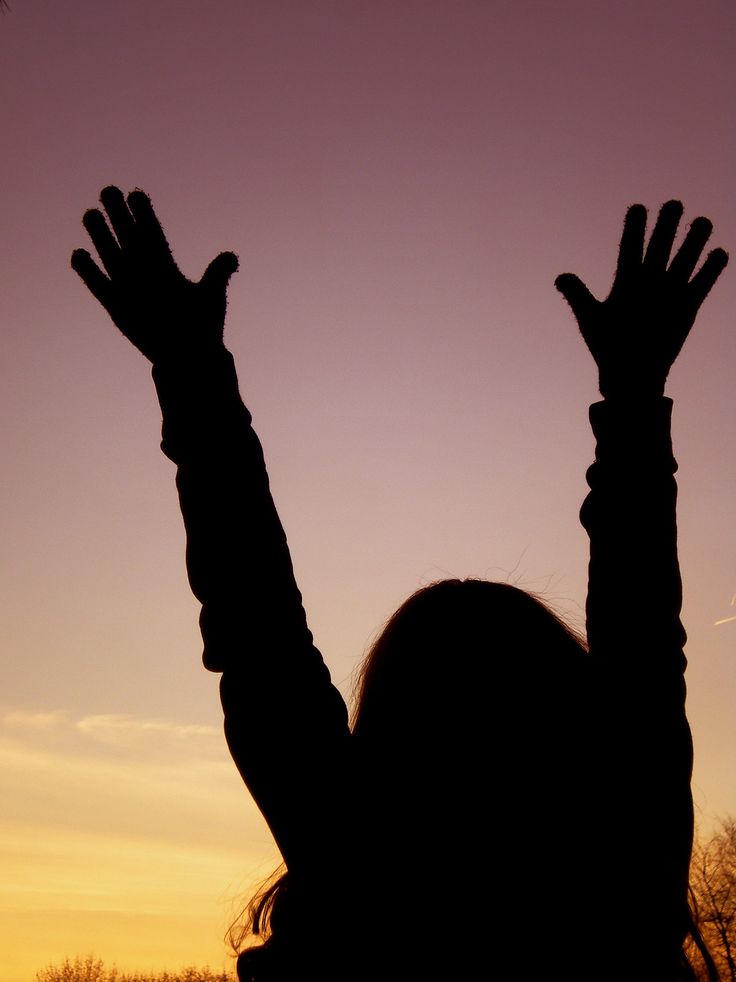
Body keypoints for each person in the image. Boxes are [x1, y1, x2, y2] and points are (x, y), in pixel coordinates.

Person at [72, 189, 728, 980]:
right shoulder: (618, 844)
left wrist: (191, 370)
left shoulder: (355, 844)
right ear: (568, 702)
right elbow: (642, 635)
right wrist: (633, 394)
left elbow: (258, 631)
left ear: (389, 716)